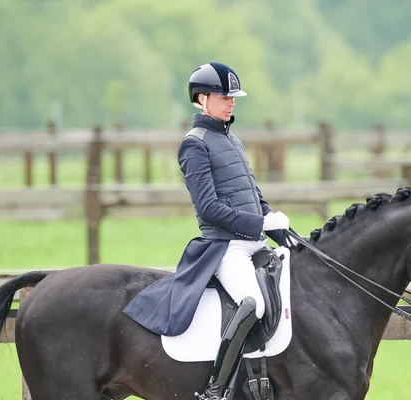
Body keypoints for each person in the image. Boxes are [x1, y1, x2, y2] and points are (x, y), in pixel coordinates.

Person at [122, 62, 291, 400]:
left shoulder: (234, 141)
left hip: (254, 244)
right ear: (202, 99)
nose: (231, 103)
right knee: (253, 303)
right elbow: (209, 208)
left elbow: (252, 195)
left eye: (233, 97)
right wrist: (259, 224)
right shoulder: (194, 144)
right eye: (224, 97)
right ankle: (216, 389)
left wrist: (274, 220)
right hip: (226, 248)